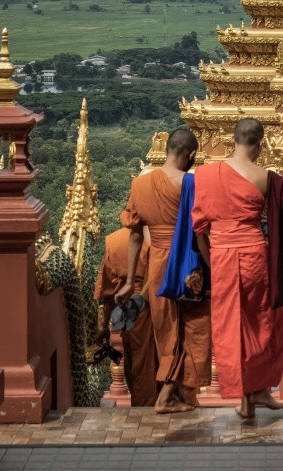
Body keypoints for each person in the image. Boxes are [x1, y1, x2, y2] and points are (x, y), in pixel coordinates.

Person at [192, 116, 283, 419]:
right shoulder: (266, 177)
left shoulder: (204, 174)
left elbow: (199, 229)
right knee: (269, 323)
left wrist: (211, 260)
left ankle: (248, 397)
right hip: (255, 258)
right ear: (261, 143)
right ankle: (258, 391)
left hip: (221, 258)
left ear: (232, 140)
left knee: (233, 327)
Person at [115, 128, 211, 413]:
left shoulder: (140, 185)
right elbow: (200, 233)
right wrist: (215, 267)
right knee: (191, 328)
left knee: (167, 329)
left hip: (157, 264)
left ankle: (175, 393)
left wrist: (130, 281)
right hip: (188, 265)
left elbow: (134, 234)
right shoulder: (190, 183)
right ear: (190, 154)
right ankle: (169, 394)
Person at [94, 226, 158, 406]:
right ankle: (151, 411)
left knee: (136, 367)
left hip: (127, 311)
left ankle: (141, 410)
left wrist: (104, 326)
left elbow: (108, 291)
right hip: (154, 306)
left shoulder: (115, 240)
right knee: (150, 366)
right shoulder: (158, 237)